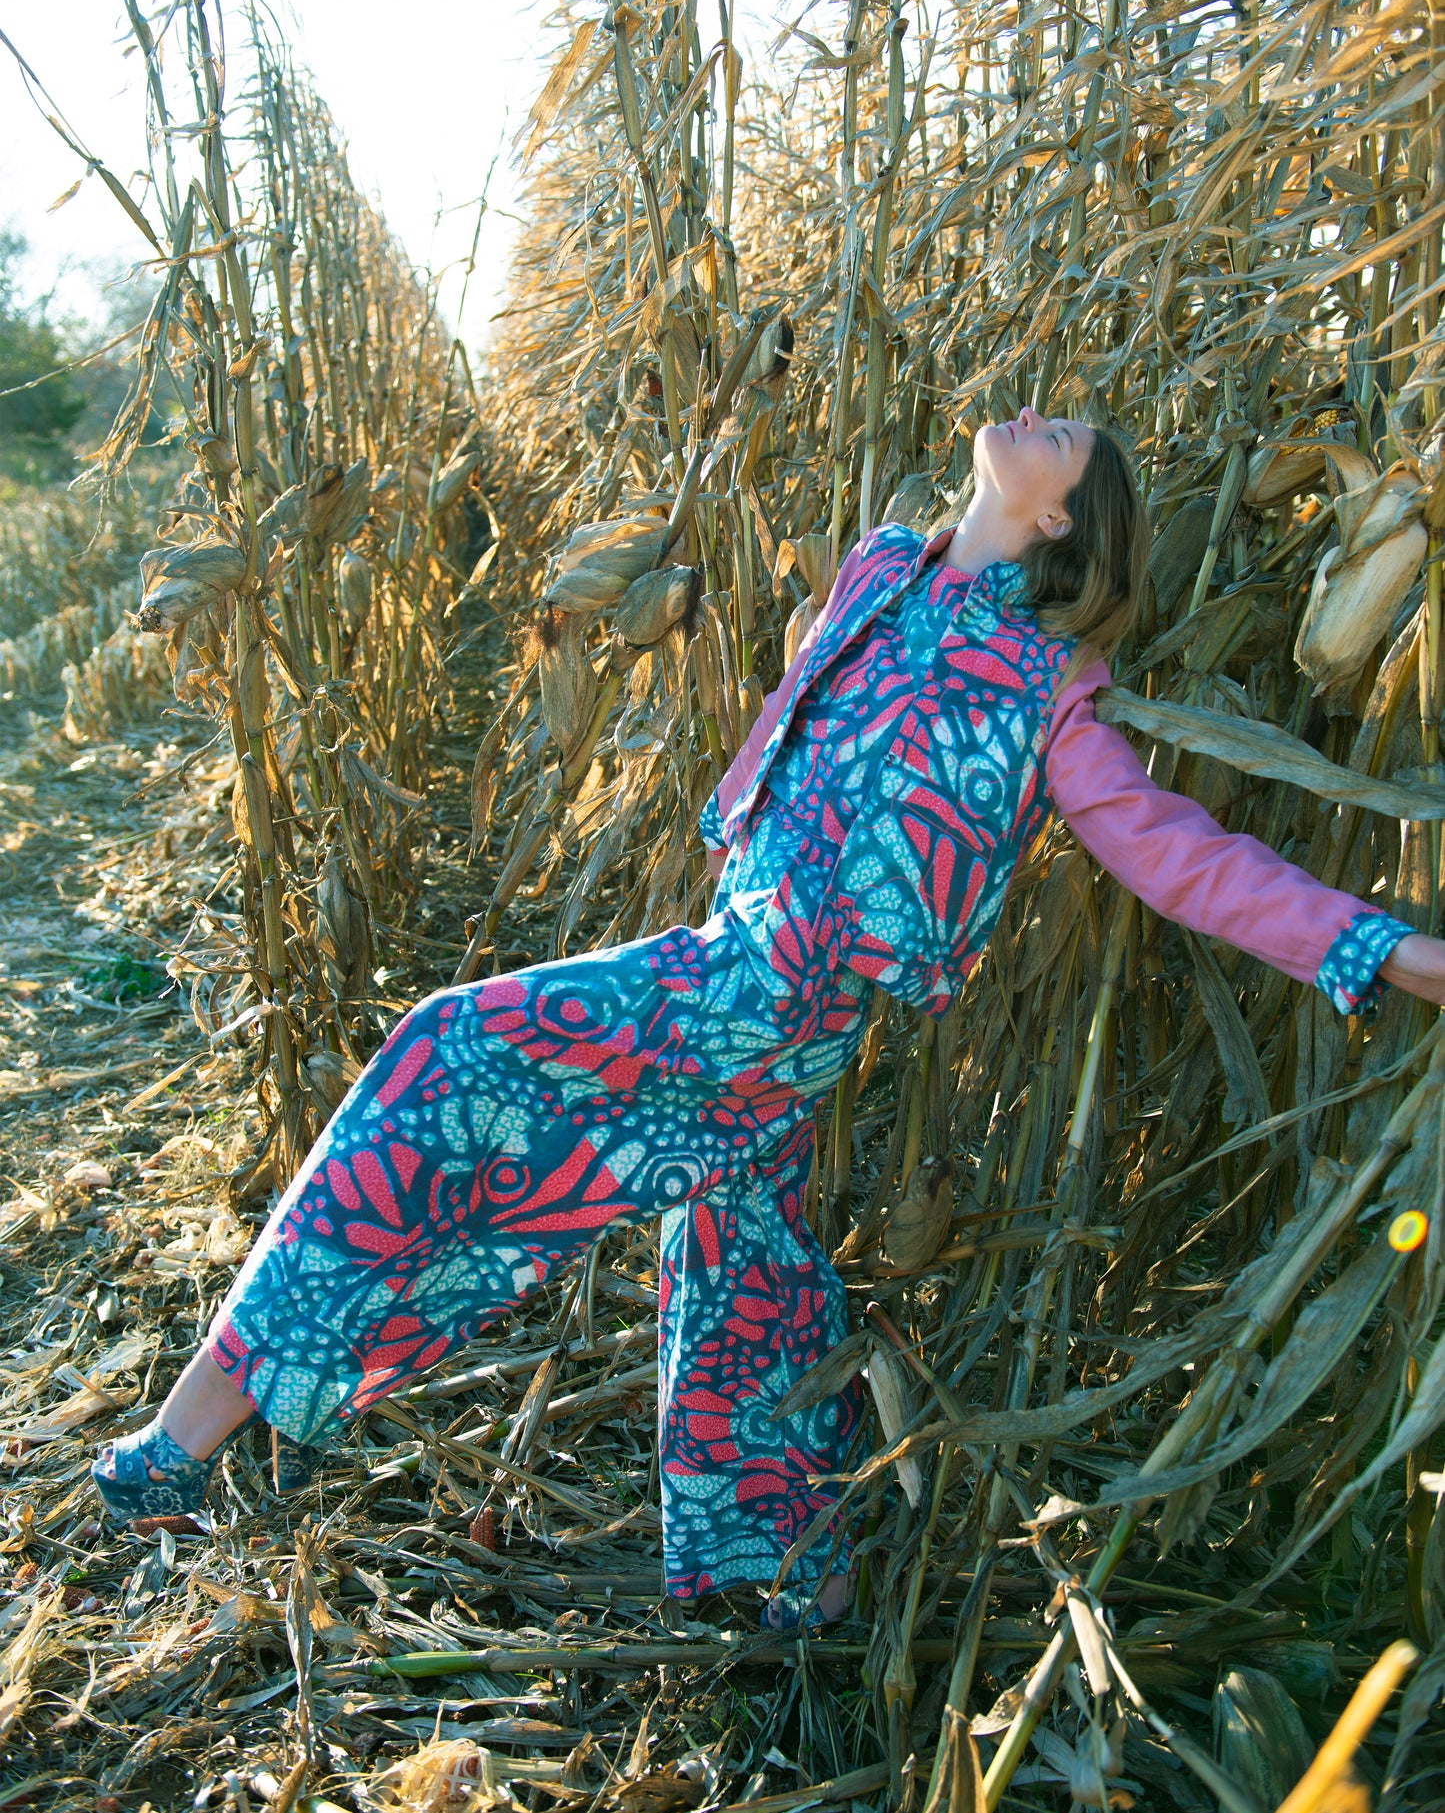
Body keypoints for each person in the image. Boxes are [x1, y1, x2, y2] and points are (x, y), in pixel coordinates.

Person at [92, 408, 1445, 1627]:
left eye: (1067, 437)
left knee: (449, 1050)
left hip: (768, 999)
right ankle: (790, 1584)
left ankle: (191, 1430)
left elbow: (1173, 852)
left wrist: (1379, 946)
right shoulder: (874, 571)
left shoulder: (1048, 687)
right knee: (747, 1277)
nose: (1036, 412)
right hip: (742, 963)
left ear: (1056, 517)